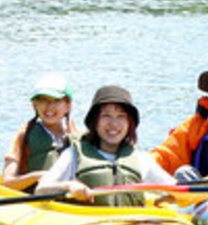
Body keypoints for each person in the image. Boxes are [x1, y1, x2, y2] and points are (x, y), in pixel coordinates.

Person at [35, 85, 175, 206]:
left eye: (121, 117)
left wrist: (176, 197)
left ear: (129, 124)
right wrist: (69, 186)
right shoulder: (73, 155)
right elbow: (41, 189)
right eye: (106, 116)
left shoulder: (141, 159)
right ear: (95, 121)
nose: (114, 124)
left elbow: (175, 189)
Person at [1, 73, 77, 192]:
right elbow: (7, 182)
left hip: (67, 199)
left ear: (68, 105)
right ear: (35, 104)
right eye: (43, 100)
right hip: (33, 199)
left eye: (56, 100)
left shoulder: (75, 134)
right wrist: (37, 176)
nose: (49, 106)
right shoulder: (25, 134)